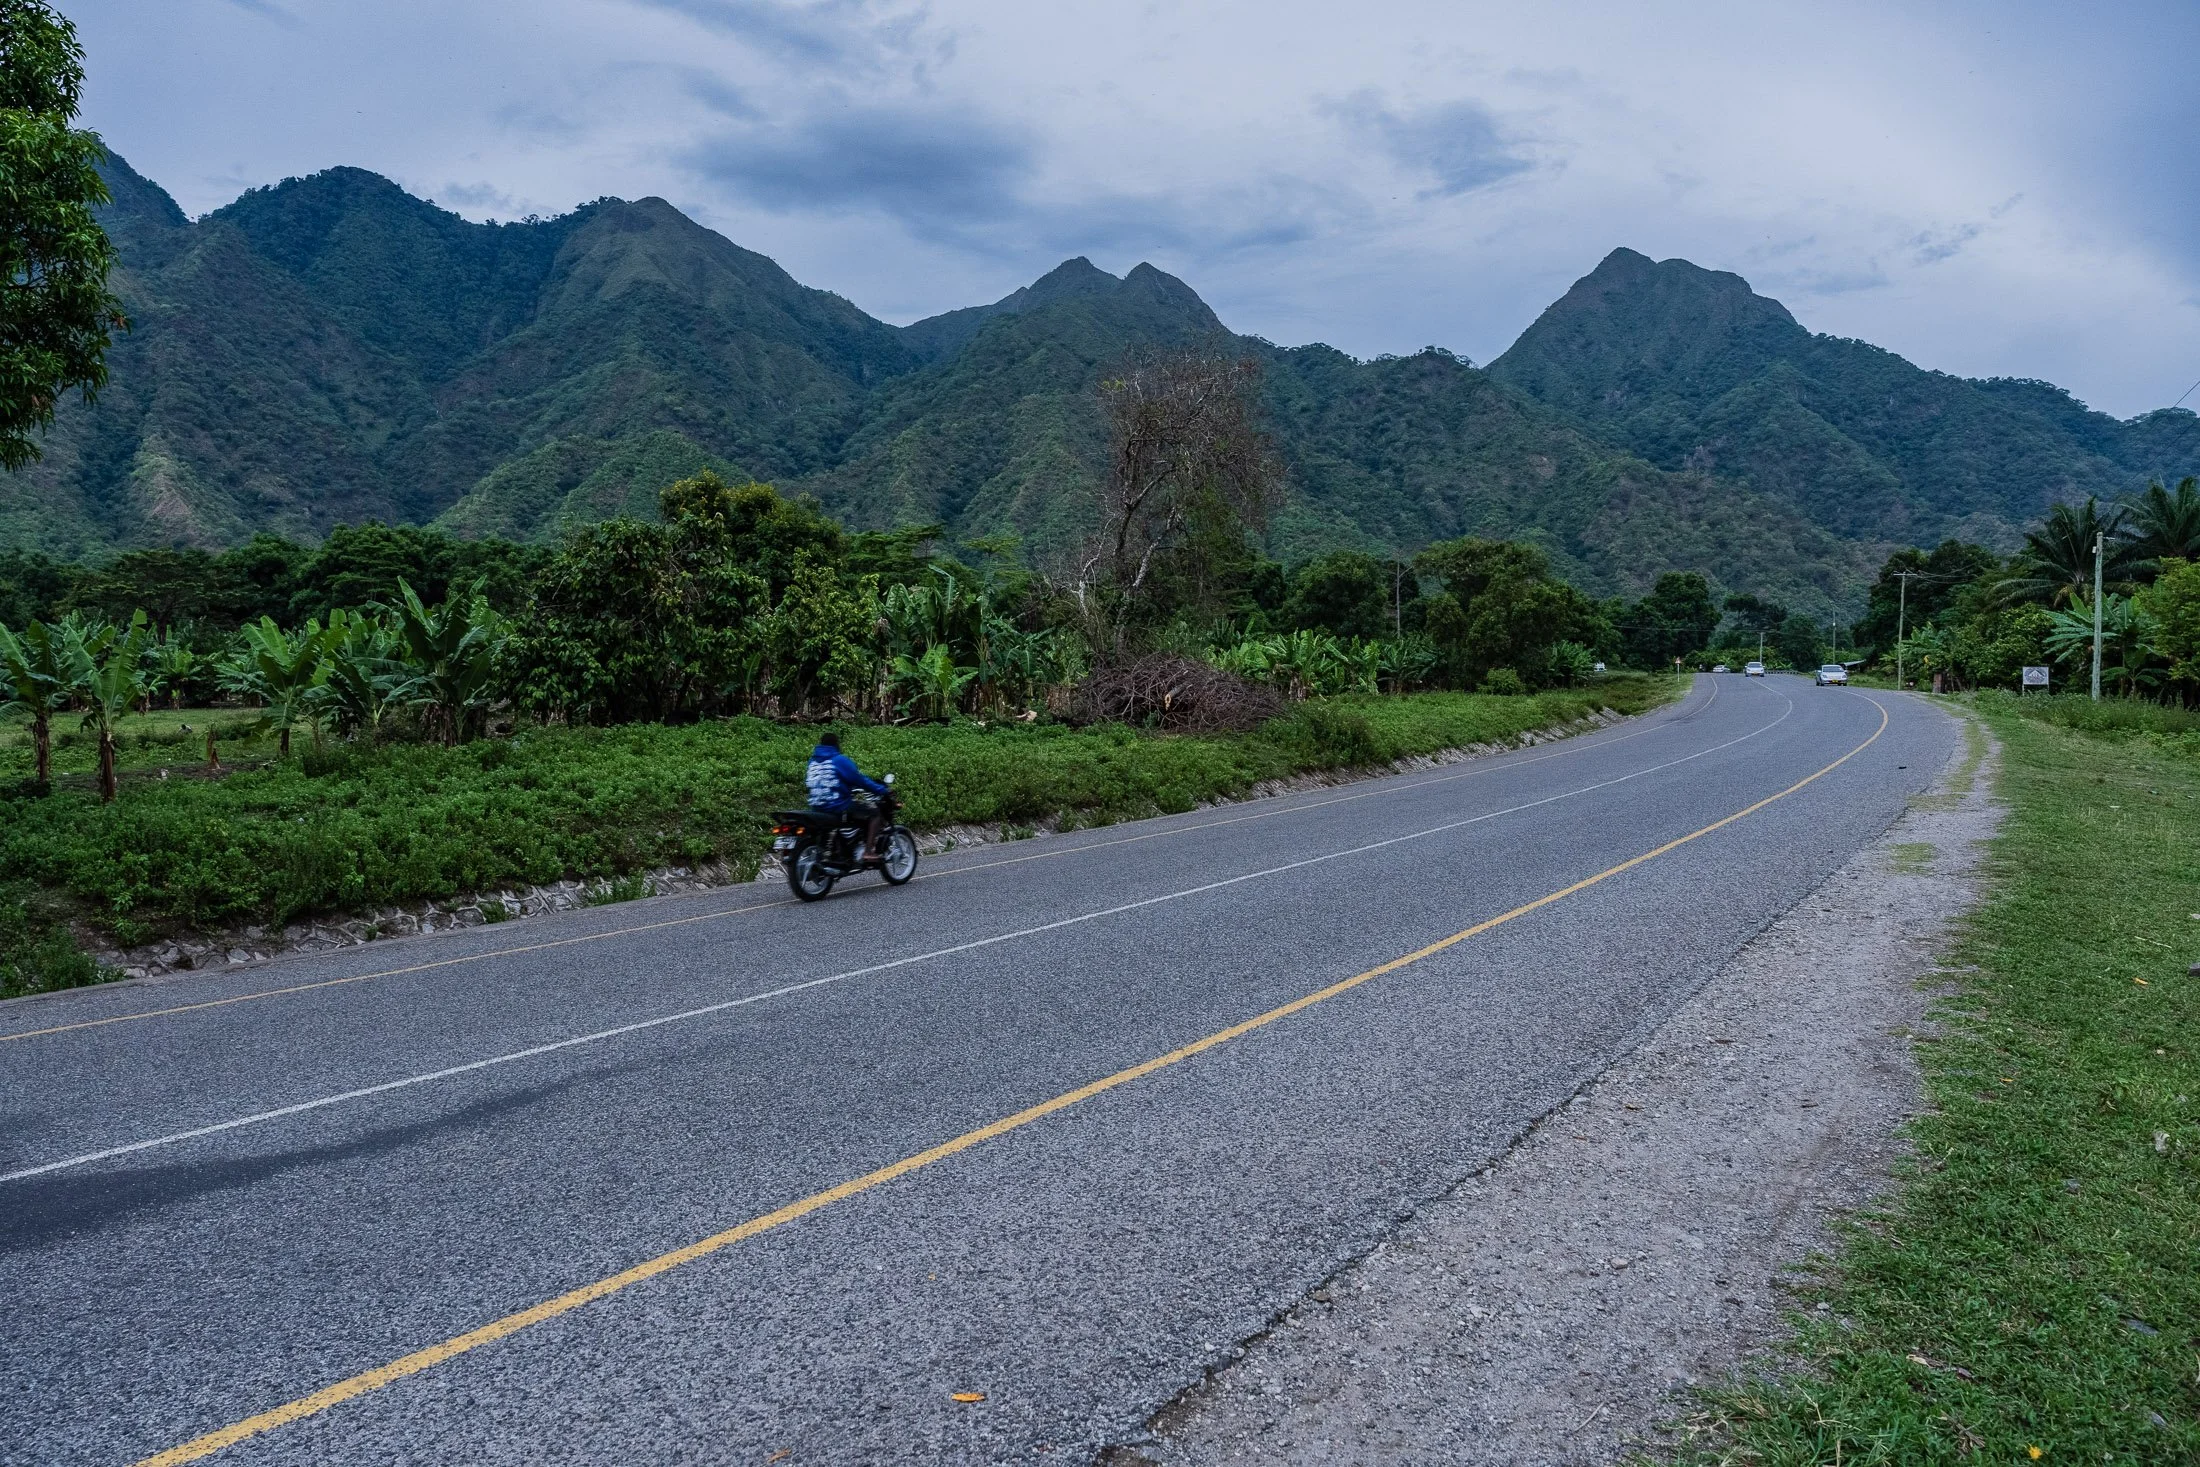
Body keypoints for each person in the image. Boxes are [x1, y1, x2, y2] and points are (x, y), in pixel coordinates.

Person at [806, 730, 888, 860]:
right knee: (874, 813)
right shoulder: (839, 760)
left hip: (816, 806)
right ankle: (868, 851)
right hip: (837, 806)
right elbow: (859, 780)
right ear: (836, 745)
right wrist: (881, 790)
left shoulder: (812, 762)